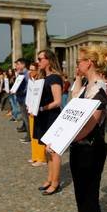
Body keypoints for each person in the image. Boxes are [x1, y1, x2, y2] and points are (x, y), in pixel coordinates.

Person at [63, 45, 107, 212]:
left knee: (90, 197)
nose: (77, 65)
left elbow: (90, 125)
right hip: (79, 147)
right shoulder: (87, 85)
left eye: (79, 62)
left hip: (91, 149)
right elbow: (72, 101)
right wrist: (77, 79)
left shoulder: (99, 89)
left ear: (89, 63)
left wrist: (66, 139)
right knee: (80, 194)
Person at [34, 50, 64, 195]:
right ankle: (50, 178)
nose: (38, 62)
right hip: (43, 116)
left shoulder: (55, 78)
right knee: (47, 151)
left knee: (54, 151)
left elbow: (58, 101)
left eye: (40, 59)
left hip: (52, 117)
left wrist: (41, 107)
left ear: (49, 60)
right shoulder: (43, 78)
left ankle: (56, 182)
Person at [28, 62, 47, 167]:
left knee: (39, 133)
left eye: (32, 70)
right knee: (33, 134)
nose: (30, 72)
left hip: (38, 110)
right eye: (30, 70)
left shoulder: (41, 82)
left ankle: (42, 157)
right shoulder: (32, 81)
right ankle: (35, 156)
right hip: (31, 110)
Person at [14, 59, 30, 142]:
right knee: (24, 117)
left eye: (18, 64)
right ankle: (27, 131)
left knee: (26, 117)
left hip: (24, 98)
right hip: (20, 97)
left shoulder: (26, 74)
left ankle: (29, 135)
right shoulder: (20, 74)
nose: (16, 66)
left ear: (23, 65)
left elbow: (28, 86)